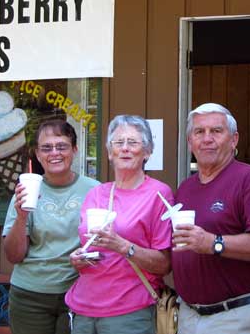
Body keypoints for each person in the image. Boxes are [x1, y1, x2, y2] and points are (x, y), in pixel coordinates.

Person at [171, 103, 250, 334]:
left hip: (238, 316)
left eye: (216, 131)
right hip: (189, 316)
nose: (207, 139)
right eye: (199, 132)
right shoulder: (185, 188)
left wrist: (214, 243)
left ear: (233, 140)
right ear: (189, 143)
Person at [65, 115, 174, 334]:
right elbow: (91, 249)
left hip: (129, 311)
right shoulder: (96, 193)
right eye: (118, 142)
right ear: (109, 152)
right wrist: (78, 259)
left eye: (133, 142)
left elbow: (164, 264)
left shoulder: (158, 194)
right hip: (83, 308)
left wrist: (122, 246)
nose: (125, 148)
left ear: (147, 152)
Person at [2, 119, 99, 334]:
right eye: (46, 148)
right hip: (29, 295)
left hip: (78, 292)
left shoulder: (94, 191)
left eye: (61, 146)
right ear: (37, 154)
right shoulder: (24, 192)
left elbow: (102, 246)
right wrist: (21, 217)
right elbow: (13, 256)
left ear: (74, 150)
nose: (54, 153)